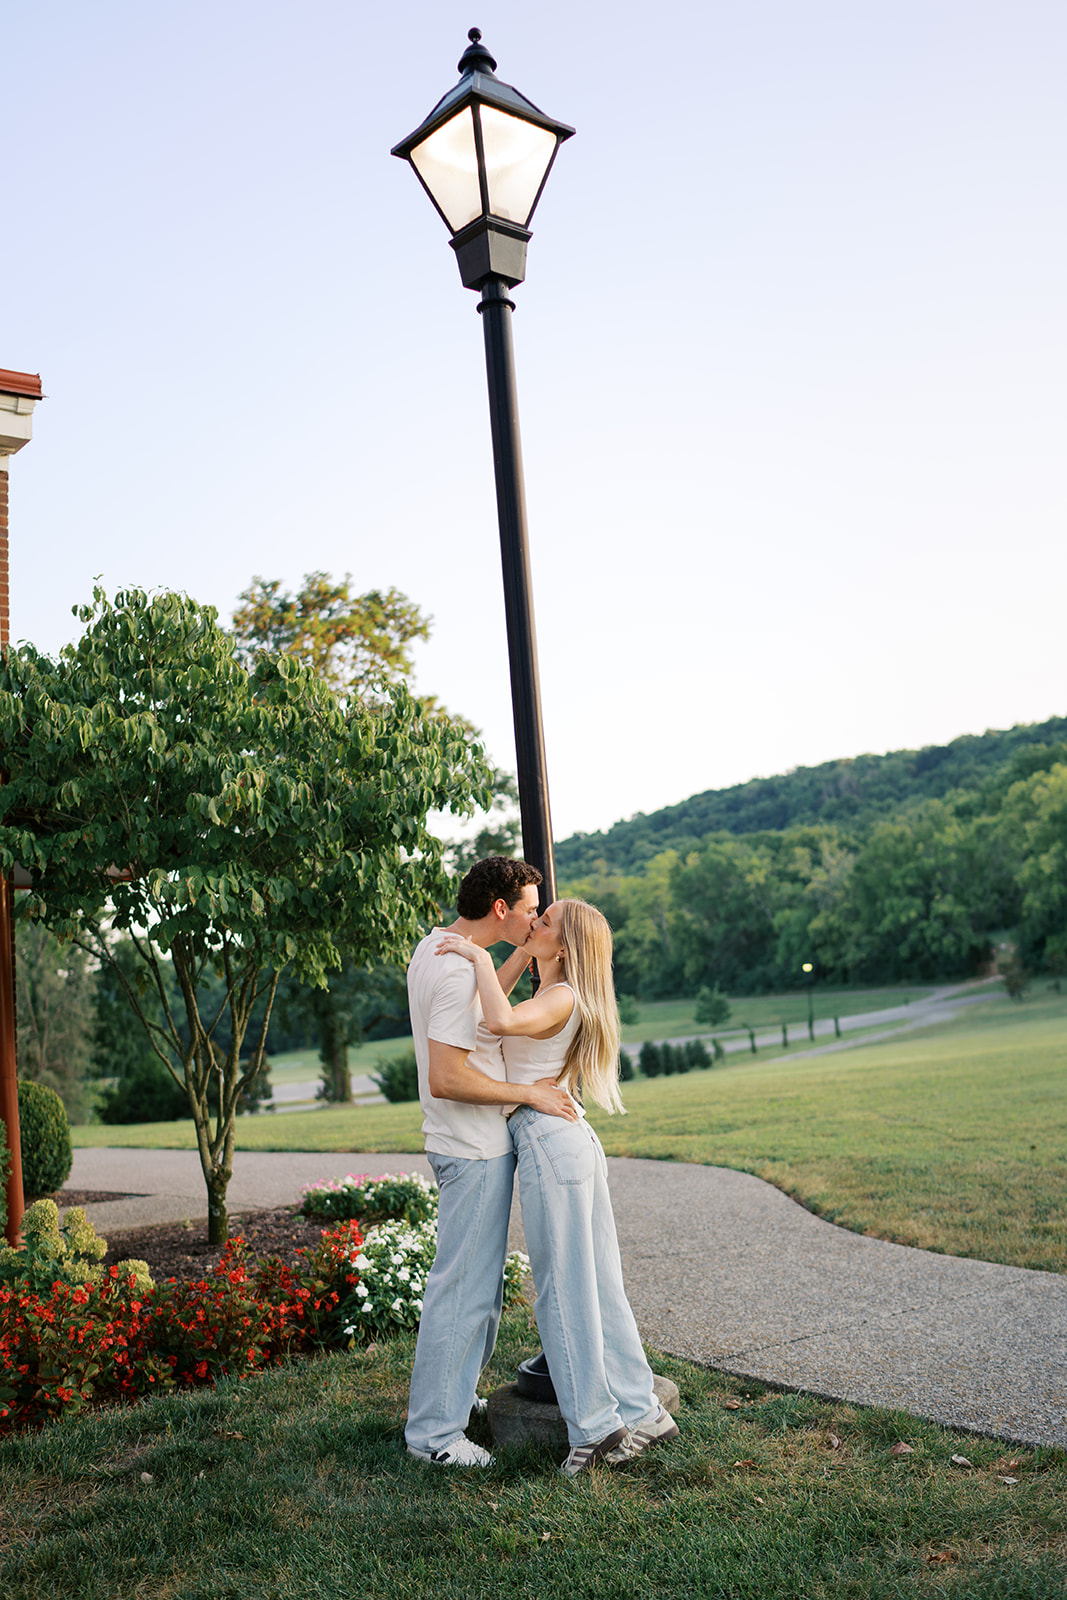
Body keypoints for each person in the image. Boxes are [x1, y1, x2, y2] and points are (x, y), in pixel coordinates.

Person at [437, 898, 679, 1476]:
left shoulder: (561, 996)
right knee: (595, 1280)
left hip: (550, 1142)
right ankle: (644, 1409)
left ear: (566, 947)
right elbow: (490, 1010)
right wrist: (512, 953)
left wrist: (472, 952)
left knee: (563, 1287)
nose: (531, 924)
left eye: (543, 923)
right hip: (563, 1139)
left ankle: (595, 1431)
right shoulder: (554, 991)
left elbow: (496, 1021)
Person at [404, 857, 579, 1468]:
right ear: (500, 908)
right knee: (465, 1294)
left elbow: (483, 1015)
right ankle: (434, 1438)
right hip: (473, 1148)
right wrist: (530, 1093)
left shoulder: (437, 948)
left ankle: (454, 1399)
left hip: (461, 1143)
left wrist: (514, 959)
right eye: (530, 909)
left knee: (477, 1291)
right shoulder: (455, 973)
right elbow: (449, 1075)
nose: (536, 920)